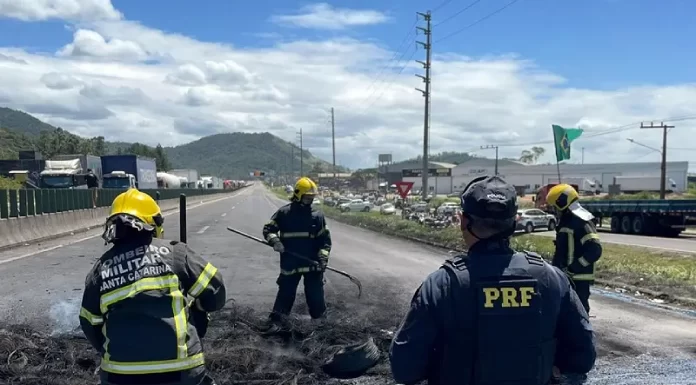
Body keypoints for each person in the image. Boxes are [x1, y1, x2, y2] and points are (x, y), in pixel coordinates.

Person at [389, 175, 596, 385]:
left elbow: (404, 367)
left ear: (463, 221)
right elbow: (583, 356)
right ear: (515, 223)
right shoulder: (552, 279)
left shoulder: (442, 284)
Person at [79, 188, 227, 385]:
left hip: (119, 376)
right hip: (180, 373)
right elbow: (216, 292)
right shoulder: (175, 253)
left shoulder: (100, 269)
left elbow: (90, 323)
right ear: (153, 224)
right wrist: (199, 308)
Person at [262, 176, 332, 324]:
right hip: (290, 265)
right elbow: (268, 230)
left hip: (312, 265)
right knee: (285, 295)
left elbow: (325, 241)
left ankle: (321, 326)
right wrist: (275, 241)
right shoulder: (284, 213)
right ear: (298, 194)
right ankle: (277, 324)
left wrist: (323, 259)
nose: (310, 201)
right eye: (307, 197)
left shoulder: (317, 216)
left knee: (316, 297)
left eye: (312, 198)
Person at [546, 183, 603, 315]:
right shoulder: (567, 221)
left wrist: (573, 268)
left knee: (579, 316)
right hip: (567, 278)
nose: (554, 210)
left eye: (555, 206)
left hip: (578, 279)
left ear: (562, 203)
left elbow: (595, 249)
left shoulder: (581, 222)